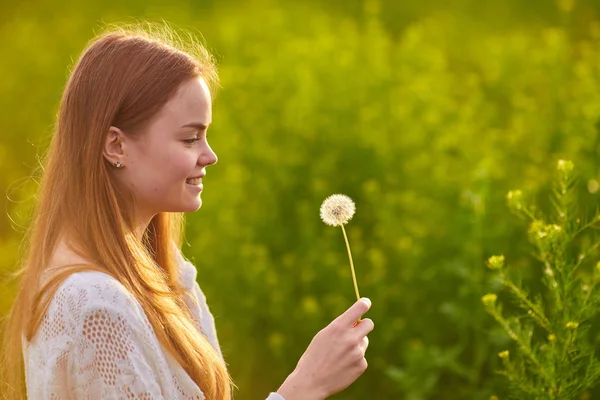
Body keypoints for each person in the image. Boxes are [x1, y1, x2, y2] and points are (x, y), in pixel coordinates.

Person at [1, 22, 374, 400]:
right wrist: (304, 387)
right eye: (190, 138)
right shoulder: (96, 307)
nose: (209, 156)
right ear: (116, 146)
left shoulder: (163, 271)